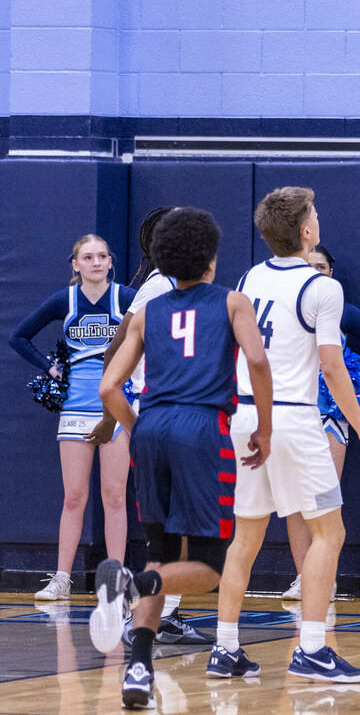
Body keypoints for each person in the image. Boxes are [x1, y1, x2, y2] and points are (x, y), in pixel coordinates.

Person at [86, 207, 274, 710]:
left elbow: (108, 386)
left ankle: (139, 671)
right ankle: (131, 585)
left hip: (151, 427)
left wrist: (137, 426)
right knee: (209, 567)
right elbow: (257, 360)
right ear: (211, 257)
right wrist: (265, 427)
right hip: (201, 429)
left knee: (160, 552)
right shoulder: (233, 302)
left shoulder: (148, 312)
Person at [209, 187, 360, 684]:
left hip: (246, 418)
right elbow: (332, 367)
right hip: (292, 418)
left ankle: (225, 648)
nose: (318, 219)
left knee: (245, 538)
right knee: (330, 532)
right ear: (306, 231)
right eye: (315, 213)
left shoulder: (247, 278)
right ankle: (312, 648)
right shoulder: (322, 288)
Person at [86, 206, 212, 646]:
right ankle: (138, 602)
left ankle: (154, 615)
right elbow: (115, 350)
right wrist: (111, 422)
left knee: (178, 531)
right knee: (193, 539)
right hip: (167, 416)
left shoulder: (179, 288)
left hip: (163, 419)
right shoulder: (161, 285)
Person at [8, 234, 136, 600]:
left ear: (111, 262)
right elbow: (19, 337)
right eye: (88, 257)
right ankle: (62, 578)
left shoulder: (125, 298)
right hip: (75, 409)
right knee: (74, 496)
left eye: (102, 256)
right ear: (75, 264)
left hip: (115, 409)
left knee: (114, 496)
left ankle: (116, 580)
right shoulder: (63, 300)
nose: (96, 262)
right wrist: (49, 367)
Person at [280, 243, 360, 601]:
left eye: (322, 267)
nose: (315, 272)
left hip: (330, 416)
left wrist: (357, 379)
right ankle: (304, 577)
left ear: (331, 274)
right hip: (292, 412)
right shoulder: (287, 310)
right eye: (309, 265)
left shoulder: (344, 313)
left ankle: (324, 577)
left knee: (322, 500)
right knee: (294, 503)